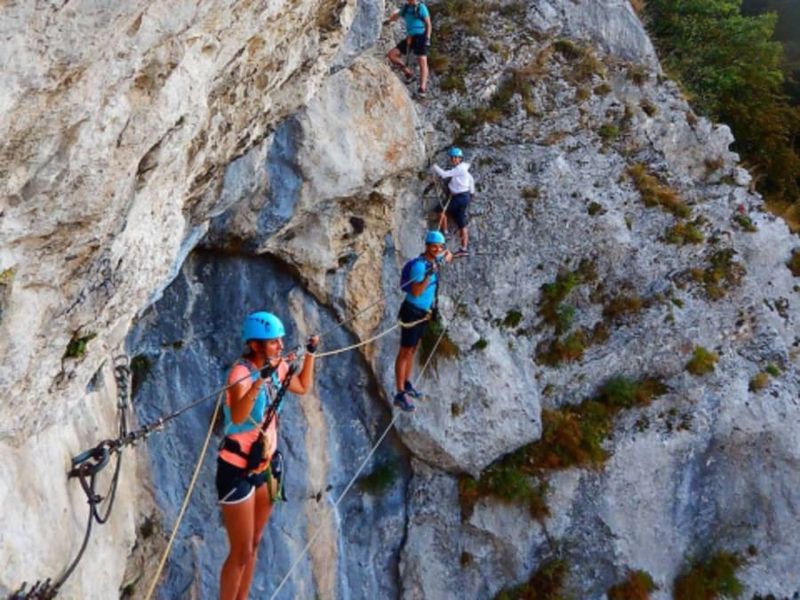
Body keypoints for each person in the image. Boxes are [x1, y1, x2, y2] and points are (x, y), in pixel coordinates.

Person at [216, 311, 318, 600]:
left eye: (280, 340)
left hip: (267, 464)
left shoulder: (279, 366)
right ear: (255, 345)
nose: (281, 345)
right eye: (274, 342)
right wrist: (260, 380)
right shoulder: (240, 374)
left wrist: (310, 354)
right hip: (236, 468)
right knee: (240, 551)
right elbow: (237, 415)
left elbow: (302, 387)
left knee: (256, 543)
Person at [394, 231, 452, 412]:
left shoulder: (435, 259)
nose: (438, 249)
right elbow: (416, 292)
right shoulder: (420, 266)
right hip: (412, 312)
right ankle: (400, 393)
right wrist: (429, 274)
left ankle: (406, 382)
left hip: (424, 313)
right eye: (434, 246)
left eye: (440, 247)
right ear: (427, 246)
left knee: (412, 350)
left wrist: (444, 257)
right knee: (404, 351)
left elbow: (449, 255)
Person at [432, 146, 474, 257]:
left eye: (456, 157)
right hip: (464, 197)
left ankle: (445, 233)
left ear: (460, 158)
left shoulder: (459, 169)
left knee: (440, 210)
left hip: (460, 197)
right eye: (453, 158)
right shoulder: (464, 170)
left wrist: (434, 166)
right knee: (461, 222)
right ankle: (464, 249)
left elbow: (444, 174)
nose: (454, 159)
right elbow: (471, 183)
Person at [386, 0, 432, 98]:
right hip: (410, 37)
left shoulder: (421, 7)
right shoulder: (406, 8)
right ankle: (409, 74)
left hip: (421, 36)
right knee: (392, 55)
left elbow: (428, 24)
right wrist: (388, 21)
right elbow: (397, 16)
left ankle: (422, 89)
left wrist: (427, 38)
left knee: (422, 61)